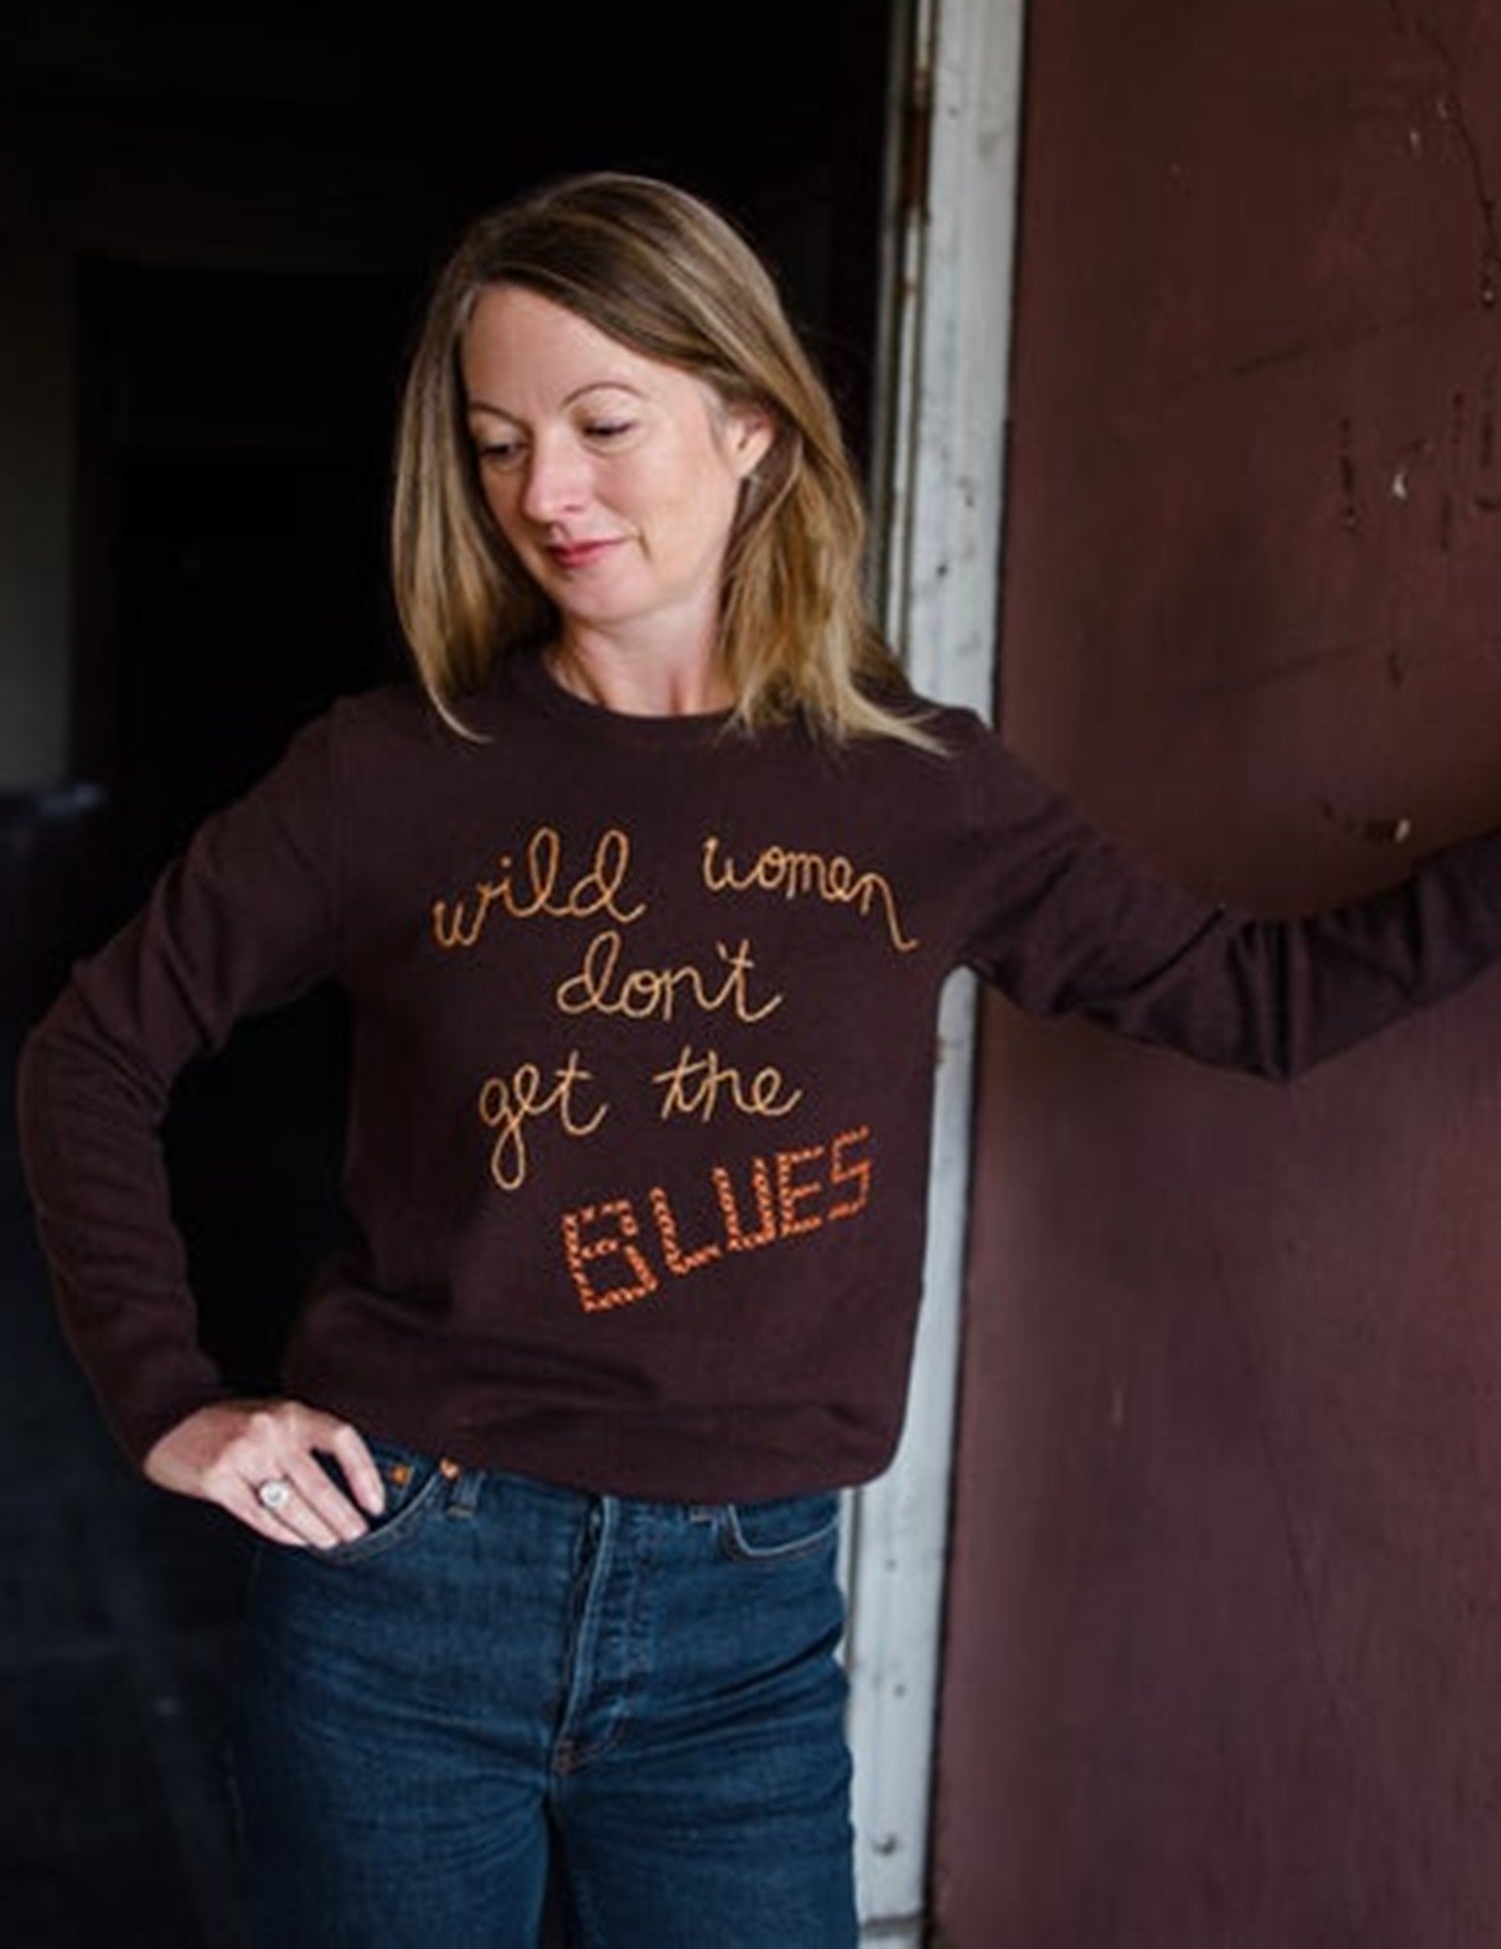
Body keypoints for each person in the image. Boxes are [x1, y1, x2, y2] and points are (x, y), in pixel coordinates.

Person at [17, 171, 1501, 1948]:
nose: (542, 493)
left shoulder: (924, 793)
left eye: (602, 422)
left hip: (745, 1641)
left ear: (751, 426)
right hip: (401, 1593)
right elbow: (91, 1050)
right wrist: (169, 1397)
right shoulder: (387, 779)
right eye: (494, 444)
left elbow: (1259, 1005)